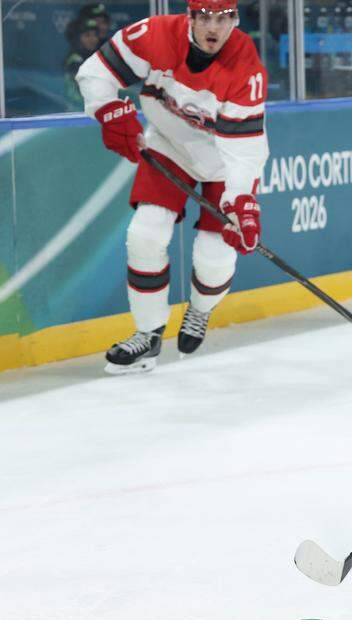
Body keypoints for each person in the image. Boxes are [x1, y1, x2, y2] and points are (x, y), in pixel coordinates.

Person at [75, 0, 269, 374]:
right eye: (206, 18)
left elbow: (244, 150)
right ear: (190, 17)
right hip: (168, 145)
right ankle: (147, 335)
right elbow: (94, 72)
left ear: (236, 20)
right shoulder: (155, 35)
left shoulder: (246, 67)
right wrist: (107, 109)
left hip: (223, 162)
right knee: (145, 235)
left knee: (215, 257)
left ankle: (199, 310)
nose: (215, 28)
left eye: (224, 18)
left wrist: (242, 203)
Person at [63, 18, 103, 110]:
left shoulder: (96, 57)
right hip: (75, 110)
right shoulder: (74, 60)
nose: (92, 39)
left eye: (95, 35)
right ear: (78, 38)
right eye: (87, 35)